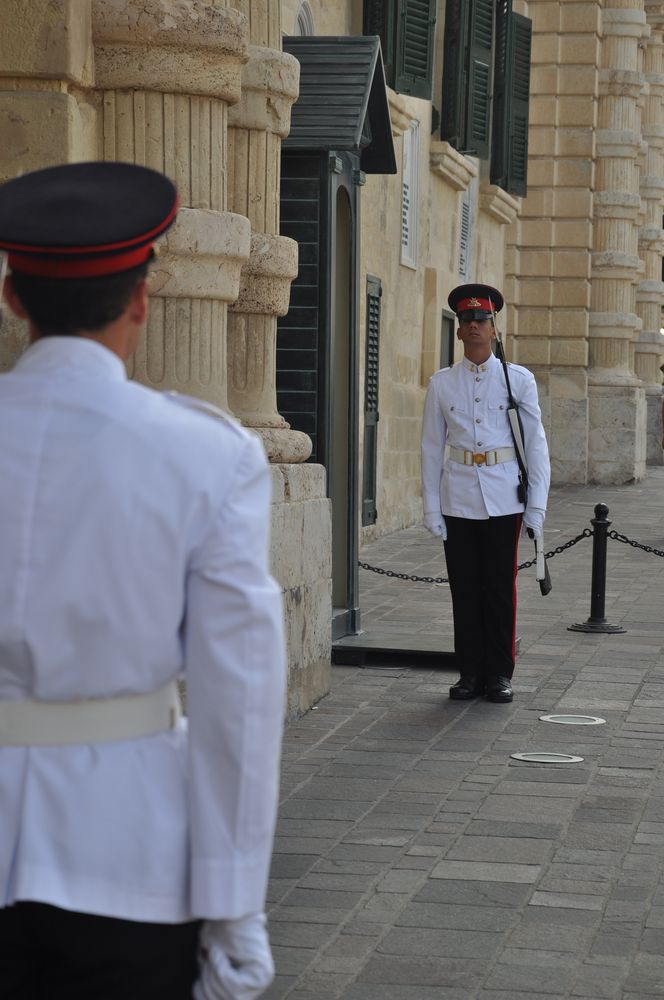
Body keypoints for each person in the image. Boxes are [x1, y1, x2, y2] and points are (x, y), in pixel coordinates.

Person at [0, 161, 286, 999]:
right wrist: (233, 910)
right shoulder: (207, 453)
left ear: (15, 300)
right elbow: (239, 694)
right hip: (127, 858)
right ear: (141, 299)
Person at [421, 283, 550, 703]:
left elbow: (535, 444)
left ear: (494, 329)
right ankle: (469, 673)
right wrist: (431, 507)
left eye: (482, 320)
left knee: (499, 587)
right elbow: (429, 448)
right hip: (457, 496)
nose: (474, 327)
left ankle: (499, 672)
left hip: (502, 496)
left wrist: (537, 507)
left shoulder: (518, 379)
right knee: (464, 587)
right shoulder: (442, 384)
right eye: (467, 321)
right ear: (458, 332)